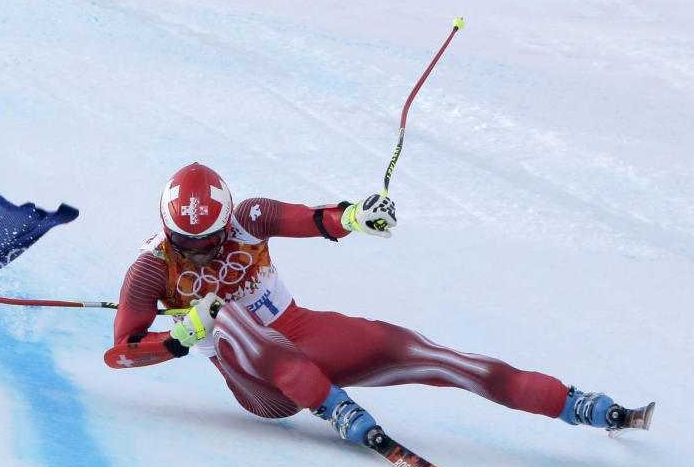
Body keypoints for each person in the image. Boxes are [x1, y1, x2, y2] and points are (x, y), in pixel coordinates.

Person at [113, 162, 653, 449]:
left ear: (225, 216)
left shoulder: (249, 217)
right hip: (265, 388)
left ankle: (579, 404)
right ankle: (334, 408)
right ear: (167, 229)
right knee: (226, 317)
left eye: (210, 239)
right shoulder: (152, 268)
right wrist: (179, 338)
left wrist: (355, 216)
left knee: (429, 354)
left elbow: (313, 218)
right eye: (189, 244)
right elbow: (121, 353)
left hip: (304, 335)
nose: (203, 251)